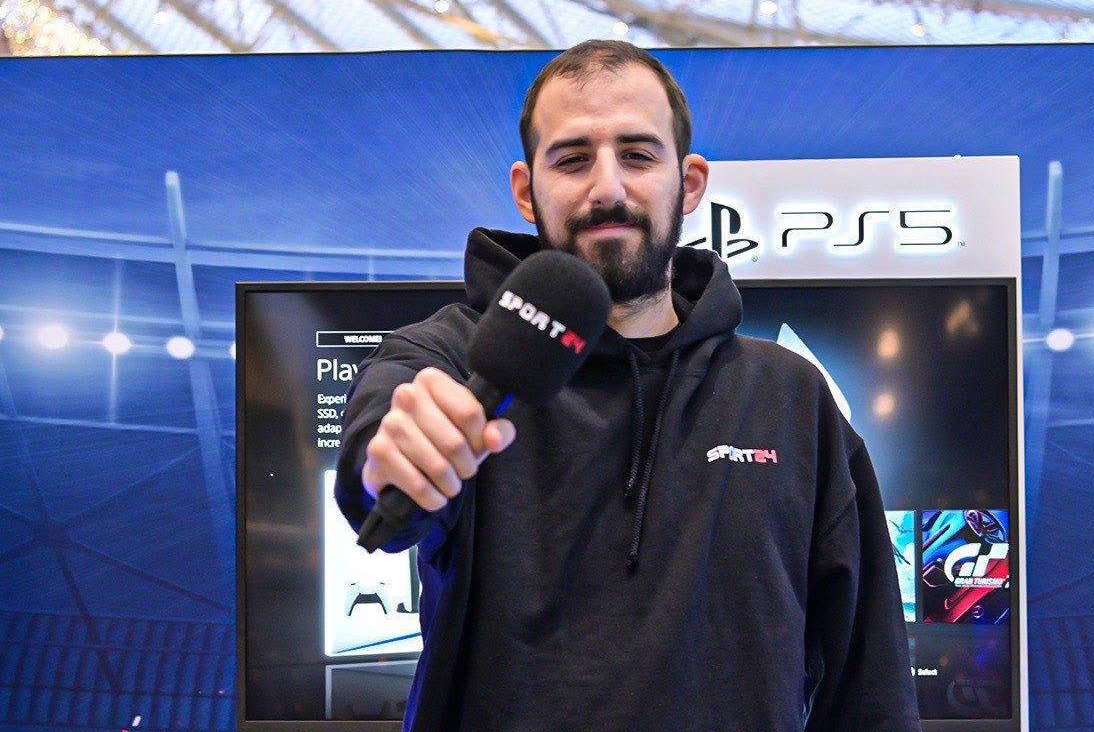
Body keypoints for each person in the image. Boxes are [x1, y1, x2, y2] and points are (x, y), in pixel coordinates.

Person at [336, 40, 920, 732]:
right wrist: (391, 462)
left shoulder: (790, 396)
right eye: (572, 159)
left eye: (638, 155)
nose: (608, 188)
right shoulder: (456, 360)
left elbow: (870, 688)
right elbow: (384, 434)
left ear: (690, 183)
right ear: (525, 189)